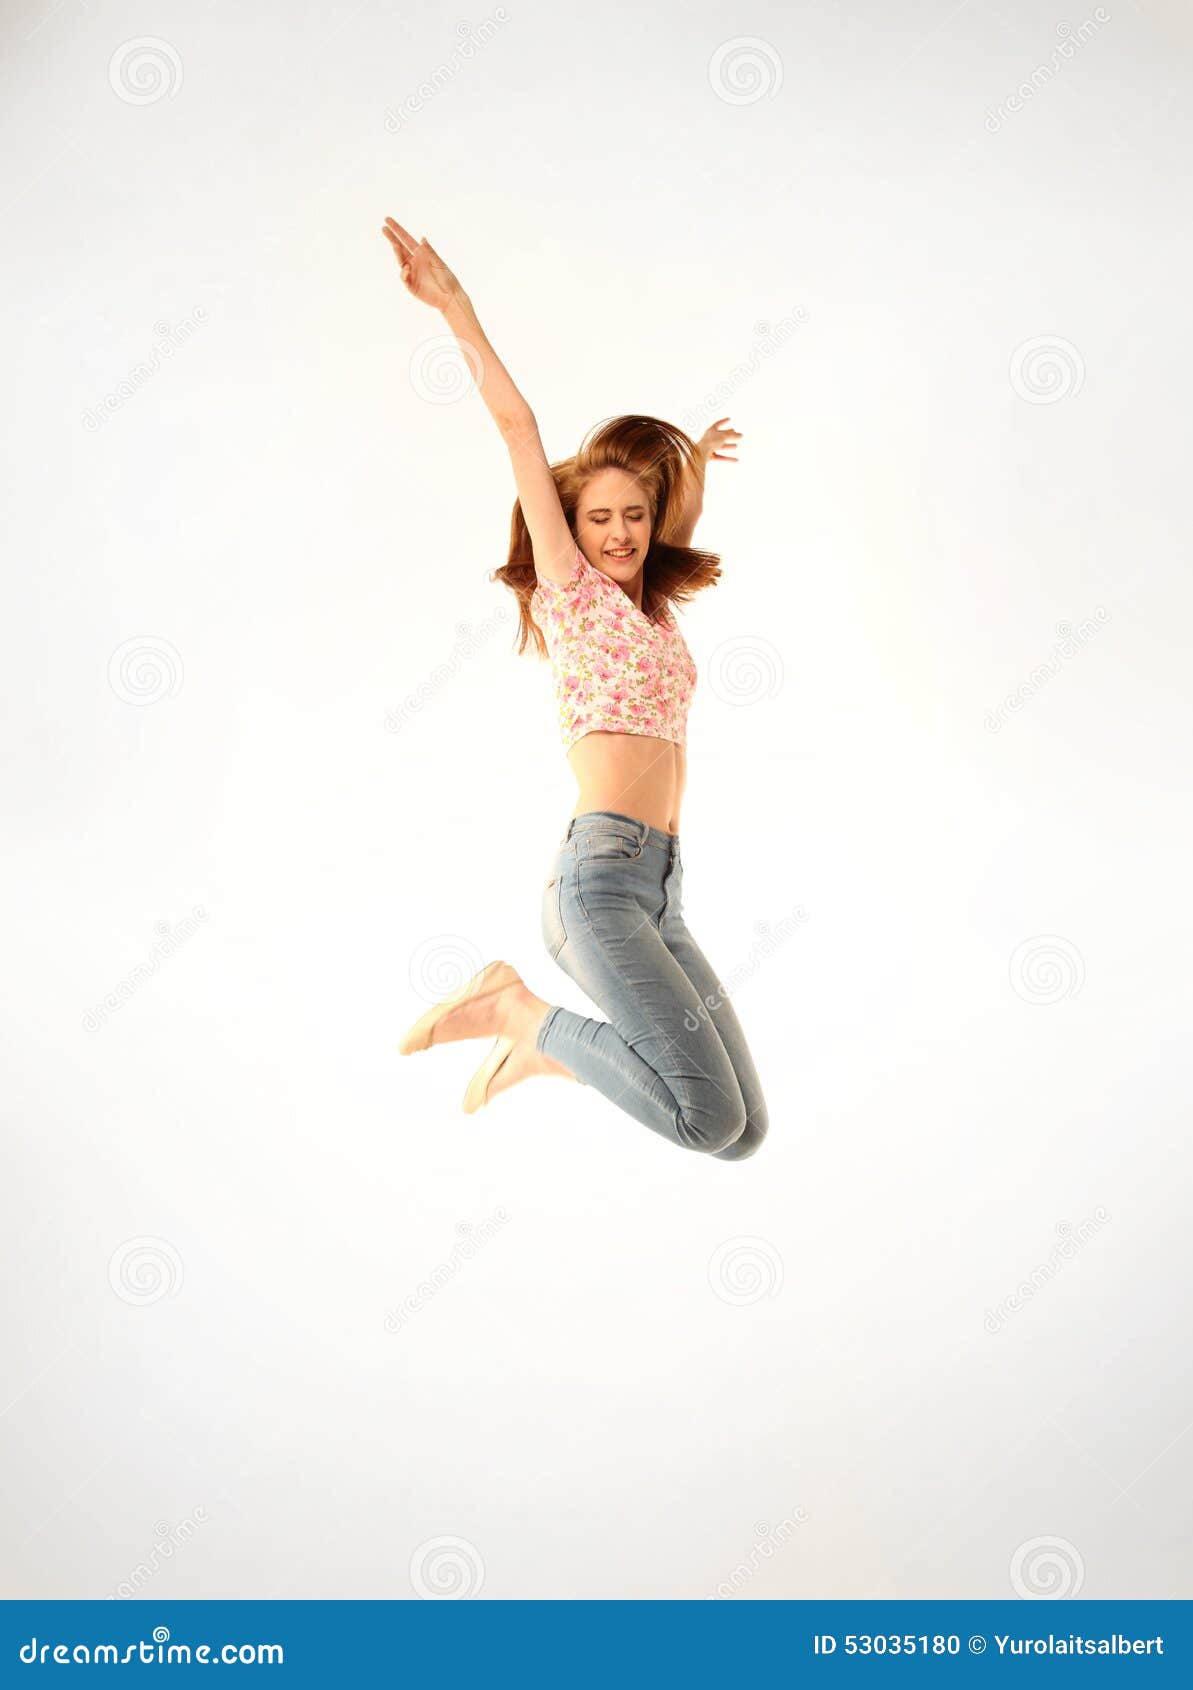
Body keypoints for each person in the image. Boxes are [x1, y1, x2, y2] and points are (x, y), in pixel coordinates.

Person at [384, 216, 768, 1160]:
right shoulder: (572, 594)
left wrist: (691, 466)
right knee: (704, 1116)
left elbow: (669, 520)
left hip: (661, 889)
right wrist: (455, 308)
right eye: (598, 517)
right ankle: (519, 1013)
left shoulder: (655, 620)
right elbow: (518, 432)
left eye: (633, 515)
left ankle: (539, 1050)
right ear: (572, 525)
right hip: (598, 880)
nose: (618, 532)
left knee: (742, 1131)